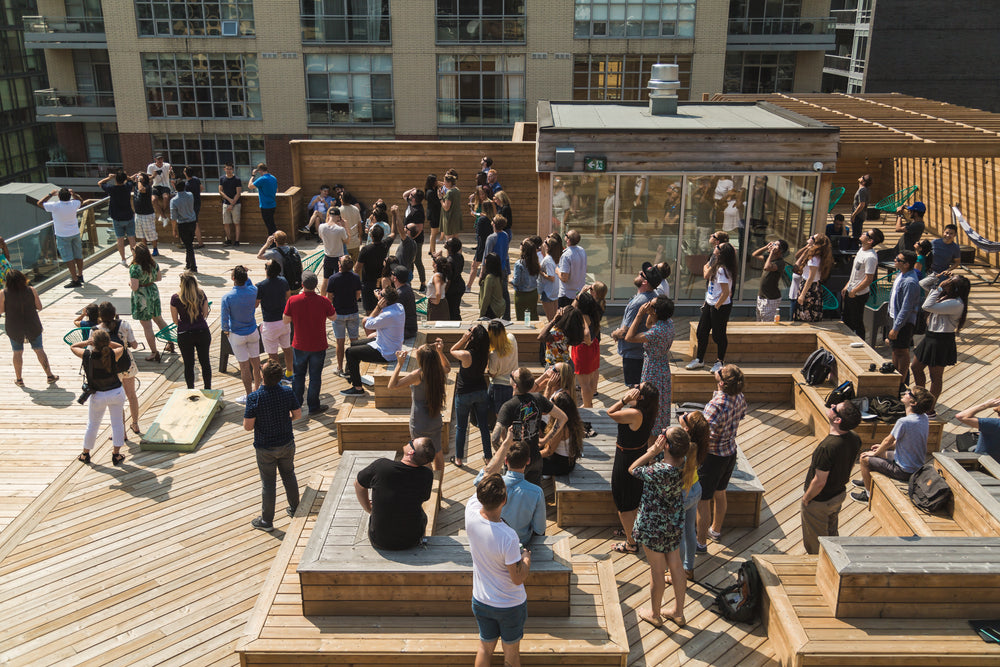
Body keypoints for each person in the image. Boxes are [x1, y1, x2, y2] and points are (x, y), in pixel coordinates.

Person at [465, 473, 532, 667]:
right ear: (504, 500)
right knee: (511, 655)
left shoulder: (470, 512)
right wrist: (526, 558)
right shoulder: (508, 536)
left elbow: (488, 469)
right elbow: (517, 578)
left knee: (485, 648)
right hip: (510, 605)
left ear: (480, 498)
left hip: (481, 600)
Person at [630, 426, 690, 627]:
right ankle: (678, 612)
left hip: (653, 527)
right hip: (672, 522)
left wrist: (651, 452)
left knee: (657, 570)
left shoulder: (658, 470)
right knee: (675, 564)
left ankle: (655, 614)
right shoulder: (685, 464)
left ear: (666, 445)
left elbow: (632, 469)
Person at [244, 361, 302, 532]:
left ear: (262, 375)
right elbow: (297, 415)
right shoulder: (287, 392)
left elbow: (248, 426)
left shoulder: (254, 397)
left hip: (265, 447)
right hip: (286, 442)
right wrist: (285, 421)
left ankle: (267, 522)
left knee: (268, 484)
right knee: (289, 475)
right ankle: (295, 508)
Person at [801, 400, 863, 554]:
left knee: (815, 541)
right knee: (831, 533)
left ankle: (819, 565)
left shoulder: (827, 447)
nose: (832, 405)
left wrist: (807, 499)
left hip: (819, 500)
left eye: (836, 408)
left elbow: (819, 481)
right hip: (838, 494)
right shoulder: (855, 438)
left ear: (837, 420)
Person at [852, 386, 933, 503]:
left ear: (913, 402)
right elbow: (905, 440)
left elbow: (887, 441)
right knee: (879, 453)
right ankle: (866, 480)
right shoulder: (924, 418)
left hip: (903, 470)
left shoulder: (904, 422)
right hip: (915, 466)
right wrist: (880, 449)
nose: (906, 392)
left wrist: (875, 452)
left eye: (909, 393)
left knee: (864, 458)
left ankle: (868, 496)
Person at [697, 364, 747, 549]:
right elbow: (741, 415)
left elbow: (701, 430)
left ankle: (700, 542)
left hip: (711, 457)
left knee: (703, 500)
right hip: (729, 452)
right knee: (720, 492)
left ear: (722, 382)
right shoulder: (739, 397)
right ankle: (715, 530)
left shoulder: (716, 405)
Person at [355, 438, 436, 549]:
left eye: (411, 442)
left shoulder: (381, 466)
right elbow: (424, 498)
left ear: (410, 452)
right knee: (422, 515)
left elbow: (358, 485)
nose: (409, 441)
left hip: (380, 541)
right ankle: (422, 544)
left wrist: (368, 508)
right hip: (411, 541)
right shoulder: (427, 475)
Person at [608, 383, 659, 555]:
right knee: (634, 498)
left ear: (641, 396)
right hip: (637, 456)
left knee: (623, 502)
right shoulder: (649, 411)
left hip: (626, 460)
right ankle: (631, 530)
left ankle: (631, 543)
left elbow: (610, 413)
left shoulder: (635, 414)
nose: (634, 386)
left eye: (638, 387)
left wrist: (624, 399)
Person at [493, 367, 566, 486]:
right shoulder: (538, 398)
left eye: (512, 375)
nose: (511, 373)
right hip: (535, 457)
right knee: (534, 492)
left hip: (516, 460)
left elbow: (494, 438)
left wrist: (504, 454)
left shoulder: (508, 407)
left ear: (515, 385)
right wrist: (547, 439)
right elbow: (563, 417)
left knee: (513, 496)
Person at [911, 272, 970, 414]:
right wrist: (938, 276)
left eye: (951, 282)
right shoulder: (946, 296)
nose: (947, 282)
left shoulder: (956, 303)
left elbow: (927, 306)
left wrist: (938, 289)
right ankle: (921, 399)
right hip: (931, 337)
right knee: (915, 368)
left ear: (955, 288)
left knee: (935, 377)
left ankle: (929, 409)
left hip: (941, 340)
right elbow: (923, 284)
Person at [474, 430, 546, 547]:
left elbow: (479, 480)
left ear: (506, 461)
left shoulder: (493, 485)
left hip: (494, 540)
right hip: (521, 543)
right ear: (528, 461)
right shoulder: (536, 492)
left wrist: (506, 443)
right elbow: (540, 528)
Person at [388, 340, 449, 471]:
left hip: (419, 422)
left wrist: (399, 364)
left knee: (423, 457)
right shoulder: (438, 371)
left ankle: (429, 485)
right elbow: (448, 367)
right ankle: (439, 486)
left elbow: (392, 385)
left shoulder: (417, 375)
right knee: (438, 453)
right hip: (435, 419)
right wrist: (440, 352)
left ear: (421, 359)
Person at [282, 271, 337, 415]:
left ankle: (296, 405)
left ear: (302, 284)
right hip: (318, 345)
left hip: (299, 345)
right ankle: (313, 406)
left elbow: (285, 320)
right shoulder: (324, 301)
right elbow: (333, 317)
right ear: (316, 285)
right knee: (315, 377)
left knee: (298, 376)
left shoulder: (293, 301)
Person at [71, 330, 126, 465]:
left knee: (93, 424)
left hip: (98, 394)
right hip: (116, 392)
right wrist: (108, 343)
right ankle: (116, 454)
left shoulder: (87, 355)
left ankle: (85, 454)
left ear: (93, 343)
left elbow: (73, 347)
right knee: (117, 423)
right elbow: (121, 347)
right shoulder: (113, 354)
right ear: (107, 342)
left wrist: (86, 342)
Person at [341, 284, 405, 397]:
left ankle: (357, 388)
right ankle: (351, 374)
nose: (378, 293)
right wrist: (381, 300)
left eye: (380, 293)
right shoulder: (399, 306)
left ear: (384, 300)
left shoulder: (387, 315)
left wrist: (378, 307)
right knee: (353, 344)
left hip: (386, 353)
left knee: (350, 352)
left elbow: (367, 324)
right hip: (390, 344)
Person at [625, 296, 674, 435]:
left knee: (650, 402)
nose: (647, 305)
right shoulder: (669, 323)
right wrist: (651, 313)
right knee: (661, 401)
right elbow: (648, 325)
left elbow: (629, 337)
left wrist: (640, 314)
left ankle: (650, 435)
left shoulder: (656, 332)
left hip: (653, 369)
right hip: (663, 365)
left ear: (656, 312)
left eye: (651, 305)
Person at [0, 269, 57, 386]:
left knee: (17, 352)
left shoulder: (3, 293)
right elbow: (39, 307)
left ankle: (19, 379)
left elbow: (0, 311)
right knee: (39, 349)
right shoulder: (31, 290)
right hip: (33, 325)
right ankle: (49, 376)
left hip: (14, 327)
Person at [688, 242, 737, 374]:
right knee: (701, 332)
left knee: (718, 335)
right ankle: (699, 359)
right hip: (709, 303)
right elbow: (705, 275)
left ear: (721, 253)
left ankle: (719, 361)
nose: (715, 247)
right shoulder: (717, 265)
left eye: (718, 248)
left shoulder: (722, 270)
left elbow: (726, 293)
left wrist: (716, 306)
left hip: (719, 306)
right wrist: (713, 259)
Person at [449, 324, 492, 467]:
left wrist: (463, 338)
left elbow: (452, 350)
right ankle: (488, 457)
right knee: (484, 426)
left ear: (472, 337)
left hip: (464, 393)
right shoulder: (485, 352)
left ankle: (459, 459)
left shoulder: (466, 355)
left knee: (461, 427)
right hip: (480, 390)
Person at [675, 410, 710, 583]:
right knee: (690, 530)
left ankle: (678, 572)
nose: (684, 414)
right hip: (695, 489)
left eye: (686, 417)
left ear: (687, 429)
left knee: (680, 534)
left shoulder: (682, 446)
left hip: (682, 494)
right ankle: (688, 569)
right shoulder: (699, 444)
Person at [96, 301, 141, 434]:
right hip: (127, 363)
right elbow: (134, 345)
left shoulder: (97, 330)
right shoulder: (125, 325)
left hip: (109, 366)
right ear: (114, 313)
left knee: (116, 400)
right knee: (131, 395)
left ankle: (121, 431)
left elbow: (92, 350)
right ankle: (135, 424)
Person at [613, 264, 661, 386]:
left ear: (645, 282)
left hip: (633, 354)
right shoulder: (654, 297)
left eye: (641, 274)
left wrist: (614, 333)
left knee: (634, 391)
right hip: (643, 352)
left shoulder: (638, 303)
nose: (639, 272)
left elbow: (624, 331)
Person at [221, 265, 261, 403]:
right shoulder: (254, 291)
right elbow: (250, 284)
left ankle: (250, 396)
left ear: (233, 279)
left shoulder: (227, 297)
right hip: (252, 331)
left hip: (237, 335)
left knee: (244, 367)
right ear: (246, 278)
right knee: (256, 364)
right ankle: (258, 390)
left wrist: (227, 332)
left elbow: (224, 320)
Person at [129, 243, 172, 362]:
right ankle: (170, 342)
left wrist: (130, 283)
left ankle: (154, 352)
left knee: (147, 326)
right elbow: (158, 278)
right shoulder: (154, 264)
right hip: (153, 292)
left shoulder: (134, 268)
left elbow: (134, 287)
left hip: (142, 296)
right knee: (159, 319)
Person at [170, 271, 212, 389]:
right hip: (202, 332)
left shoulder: (175, 298)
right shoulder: (201, 294)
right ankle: (208, 388)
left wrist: (184, 323)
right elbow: (204, 314)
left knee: (189, 365)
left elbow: (175, 320)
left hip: (184, 334)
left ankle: (190, 390)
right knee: (205, 362)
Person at [36, 187, 84, 287]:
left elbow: (39, 203)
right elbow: (81, 201)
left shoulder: (55, 206)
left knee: (68, 258)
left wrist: (50, 194)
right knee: (78, 255)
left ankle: (75, 280)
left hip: (62, 235)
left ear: (58, 196)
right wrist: (74, 193)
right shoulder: (74, 204)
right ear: (69, 196)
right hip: (75, 233)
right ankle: (80, 275)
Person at [841, 229, 884, 338]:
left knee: (856, 321)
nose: (863, 233)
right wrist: (847, 286)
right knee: (847, 320)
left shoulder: (871, 257)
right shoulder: (861, 250)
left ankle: (861, 344)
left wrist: (855, 291)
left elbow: (869, 279)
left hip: (858, 294)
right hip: (851, 290)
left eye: (866, 234)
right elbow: (855, 272)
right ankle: (847, 341)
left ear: (870, 241)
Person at [256, 259, 294, 382]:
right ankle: (289, 373)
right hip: (284, 321)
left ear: (267, 271)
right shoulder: (283, 281)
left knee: (273, 355)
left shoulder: (261, 286)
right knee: (287, 349)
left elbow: (256, 304)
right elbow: (288, 297)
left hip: (269, 324)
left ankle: (278, 377)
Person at [887, 250, 921, 386]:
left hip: (903, 323)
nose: (895, 260)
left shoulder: (910, 282)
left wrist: (896, 328)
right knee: (895, 350)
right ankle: (895, 380)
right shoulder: (901, 275)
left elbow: (907, 308)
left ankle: (901, 383)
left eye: (898, 259)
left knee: (902, 351)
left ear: (906, 264)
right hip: (895, 318)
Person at [571, 283, 606, 408]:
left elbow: (586, 333)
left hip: (584, 349)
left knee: (584, 383)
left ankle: (587, 406)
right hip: (594, 346)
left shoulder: (584, 316)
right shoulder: (596, 310)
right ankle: (589, 402)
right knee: (590, 379)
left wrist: (587, 340)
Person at [327, 255, 362, 376]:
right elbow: (358, 294)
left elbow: (329, 297)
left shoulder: (333, 279)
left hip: (339, 314)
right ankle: (353, 368)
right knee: (354, 342)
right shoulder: (356, 277)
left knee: (340, 342)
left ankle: (340, 368)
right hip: (353, 312)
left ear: (340, 265)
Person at [538, 390, 583, 477]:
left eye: (552, 401)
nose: (550, 402)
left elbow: (548, 452)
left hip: (561, 464)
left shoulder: (562, 428)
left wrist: (527, 458)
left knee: (526, 464)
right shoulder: (571, 418)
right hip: (564, 458)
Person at [98, 170, 136, 266]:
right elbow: (131, 180)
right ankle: (135, 258)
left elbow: (100, 183)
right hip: (128, 216)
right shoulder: (127, 187)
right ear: (124, 179)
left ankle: (123, 259)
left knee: (120, 240)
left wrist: (110, 177)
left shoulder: (111, 188)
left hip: (117, 218)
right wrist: (126, 176)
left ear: (116, 180)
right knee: (132, 239)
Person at [794, 233, 833, 323]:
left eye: (813, 238)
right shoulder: (816, 255)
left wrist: (802, 295)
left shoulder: (814, 258)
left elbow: (810, 278)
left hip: (810, 287)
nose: (810, 238)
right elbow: (797, 256)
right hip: (813, 286)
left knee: (806, 315)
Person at [486, 320, 519, 428]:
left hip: (499, 387)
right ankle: (516, 439)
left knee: (501, 418)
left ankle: (503, 440)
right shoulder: (512, 338)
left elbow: (492, 374)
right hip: (514, 383)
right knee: (515, 415)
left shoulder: (494, 354)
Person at [357, 224, 395, 313]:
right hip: (381, 282)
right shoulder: (385, 245)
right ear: (382, 236)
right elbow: (393, 233)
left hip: (368, 283)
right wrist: (394, 215)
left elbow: (357, 268)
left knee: (369, 311)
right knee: (382, 307)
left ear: (371, 236)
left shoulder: (365, 249)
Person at [481, 214, 512, 320]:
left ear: (494, 224)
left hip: (492, 270)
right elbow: (506, 253)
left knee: (489, 292)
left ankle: (487, 313)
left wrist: (482, 273)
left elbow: (486, 256)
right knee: (504, 292)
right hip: (503, 268)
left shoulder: (491, 238)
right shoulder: (505, 235)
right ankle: (507, 315)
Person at [538, 305, 584, 369]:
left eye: (561, 310)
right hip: (566, 363)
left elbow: (541, 337)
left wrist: (554, 320)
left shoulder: (559, 333)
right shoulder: (568, 330)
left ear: (564, 316)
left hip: (556, 367)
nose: (559, 310)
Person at [752, 240, 787, 322]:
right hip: (761, 296)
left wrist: (771, 253)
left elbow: (767, 267)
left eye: (776, 245)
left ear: (780, 251)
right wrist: (766, 247)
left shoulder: (780, 262)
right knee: (759, 321)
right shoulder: (769, 258)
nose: (773, 245)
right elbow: (754, 254)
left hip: (770, 299)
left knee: (766, 324)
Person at [170, 179, 199, 273]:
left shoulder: (174, 201)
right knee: (189, 244)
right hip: (192, 222)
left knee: (188, 246)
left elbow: (173, 218)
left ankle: (193, 267)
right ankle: (188, 264)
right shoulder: (190, 195)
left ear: (175, 187)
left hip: (183, 224)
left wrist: (174, 230)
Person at [317, 208, 349, 293]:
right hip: (338, 258)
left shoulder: (321, 227)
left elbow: (321, 237)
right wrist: (345, 226)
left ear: (329, 215)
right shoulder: (340, 229)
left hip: (327, 256)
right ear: (338, 217)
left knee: (325, 280)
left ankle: (323, 299)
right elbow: (347, 241)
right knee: (339, 281)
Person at [400, 187, 426, 290]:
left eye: (411, 194)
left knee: (417, 261)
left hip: (416, 240)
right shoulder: (411, 203)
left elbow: (419, 229)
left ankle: (423, 283)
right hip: (407, 237)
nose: (409, 195)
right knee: (408, 261)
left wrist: (410, 240)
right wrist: (412, 189)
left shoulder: (418, 210)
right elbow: (404, 195)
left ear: (414, 199)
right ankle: (408, 281)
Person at [469, 196, 495, 288]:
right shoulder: (494, 219)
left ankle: (468, 286)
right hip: (492, 246)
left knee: (474, 266)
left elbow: (479, 235)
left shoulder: (482, 220)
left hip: (482, 245)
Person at [557, 230, 587, 307]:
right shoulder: (582, 250)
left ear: (568, 240)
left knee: (565, 318)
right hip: (580, 293)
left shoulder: (566, 255)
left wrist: (557, 271)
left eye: (566, 235)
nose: (565, 235)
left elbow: (564, 278)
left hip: (567, 296)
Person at [512, 238, 539, 322]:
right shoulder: (535, 261)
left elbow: (516, 282)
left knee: (521, 319)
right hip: (533, 293)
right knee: (533, 317)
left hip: (521, 295)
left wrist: (510, 280)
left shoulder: (519, 264)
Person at [132, 173, 159, 256]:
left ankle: (155, 249)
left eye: (140, 177)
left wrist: (139, 180)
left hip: (147, 214)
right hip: (138, 214)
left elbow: (141, 190)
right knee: (141, 234)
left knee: (151, 233)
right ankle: (145, 250)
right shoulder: (137, 184)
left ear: (143, 179)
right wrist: (135, 177)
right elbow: (127, 179)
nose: (138, 178)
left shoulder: (147, 187)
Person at [248, 163, 278, 235]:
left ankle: (275, 242)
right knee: (271, 224)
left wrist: (253, 176)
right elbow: (276, 190)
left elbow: (250, 186)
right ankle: (275, 241)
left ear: (260, 170)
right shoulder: (273, 178)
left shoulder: (262, 179)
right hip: (273, 204)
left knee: (270, 226)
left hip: (265, 206)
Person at [389, 265, 418, 340]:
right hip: (411, 328)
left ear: (395, 278)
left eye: (392, 274)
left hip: (406, 330)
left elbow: (393, 316)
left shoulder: (399, 294)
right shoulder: (407, 287)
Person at [146, 153, 174, 228]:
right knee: (154, 200)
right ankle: (164, 217)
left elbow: (173, 176)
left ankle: (162, 215)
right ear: (155, 159)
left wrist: (171, 172)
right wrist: (154, 175)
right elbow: (148, 179)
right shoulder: (151, 166)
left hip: (165, 185)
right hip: (156, 185)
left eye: (161, 159)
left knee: (165, 197)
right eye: (158, 159)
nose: (160, 160)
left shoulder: (167, 165)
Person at [219, 161, 243, 246]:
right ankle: (228, 239)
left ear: (232, 169)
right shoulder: (222, 178)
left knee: (236, 223)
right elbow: (220, 191)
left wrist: (232, 204)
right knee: (226, 223)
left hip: (236, 204)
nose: (228, 170)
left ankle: (237, 241)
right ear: (224, 169)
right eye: (227, 169)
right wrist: (229, 200)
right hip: (226, 203)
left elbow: (238, 192)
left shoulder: (237, 179)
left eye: (230, 169)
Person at [538, 236, 561, 322]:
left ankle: (553, 335)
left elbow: (551, 277)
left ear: (548, 247)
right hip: (554, 291)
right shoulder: (555, 258)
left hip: (548, 292)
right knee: (555, 318)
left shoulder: (548, 260)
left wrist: (541, 272)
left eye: (546, 242)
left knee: (551, 320)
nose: (544, 242)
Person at [443, 237, 466, 320]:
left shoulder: (449, 261)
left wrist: (444, 293)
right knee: (455, 309)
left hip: (453, 289)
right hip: (460, 285)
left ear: (450, 248)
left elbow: (448, 280)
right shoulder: (460, 256)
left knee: (452, 311)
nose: (445, 242)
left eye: (447, 243)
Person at [479, 253, 505, 319]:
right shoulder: (498, 275)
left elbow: (486, 297)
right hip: (498, 307)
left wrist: (482, 313)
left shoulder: (489, 278)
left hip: (491, 309)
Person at [426, 255, 450, 321]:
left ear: (436, 265)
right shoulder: (443, 274)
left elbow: (438, 292)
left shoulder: (437, 276)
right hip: (442, 302)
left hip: (436, 305)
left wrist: (437, 301)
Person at [184, 167, 204, 248]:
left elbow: (184, 195)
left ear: (185, 173)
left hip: (191, 206)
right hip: (198, 203)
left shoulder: (187, 185)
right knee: (194, 223)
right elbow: (201, 188)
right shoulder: (196, 179)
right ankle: (199, 242)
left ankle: (200, 243)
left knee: (194, 224)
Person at [340, 193, 363, 262]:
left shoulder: (339, 210)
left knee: (344, 266)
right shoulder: (356, 209)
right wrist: (360, 238)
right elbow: (359, 225)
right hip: (355, 242)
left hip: (344, 243)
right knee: (356, 266)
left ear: (342, 200)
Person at [439, 171, 462, 240]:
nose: (444, 184)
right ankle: (458, 251)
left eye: (445, 182)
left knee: (449, 240)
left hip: (449, 217)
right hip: (456, 217)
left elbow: (446, 207)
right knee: (456, 239)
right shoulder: (457, 190)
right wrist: (444, 196)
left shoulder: (449, 192)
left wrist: (440, 198)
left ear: (449, 182)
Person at [424, 174, 443, 257]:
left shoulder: (432, 190)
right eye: (435, 180)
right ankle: (433, 252)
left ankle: (431, 249)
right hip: (434, 215)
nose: (437, 182)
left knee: (434, 233)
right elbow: (437, 202)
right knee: (434, 233)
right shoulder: (430, 192)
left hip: (435, 214)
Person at [850, 174, 871, 240]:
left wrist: (854, 215)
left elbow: (862, 205)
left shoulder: (862, 190)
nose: (861, 176)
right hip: (861, 214)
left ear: (864, 182)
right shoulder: (863, 189)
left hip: (859, 215)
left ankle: (856, 248)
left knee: (856, 235)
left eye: (862, 177)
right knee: (857, 233)